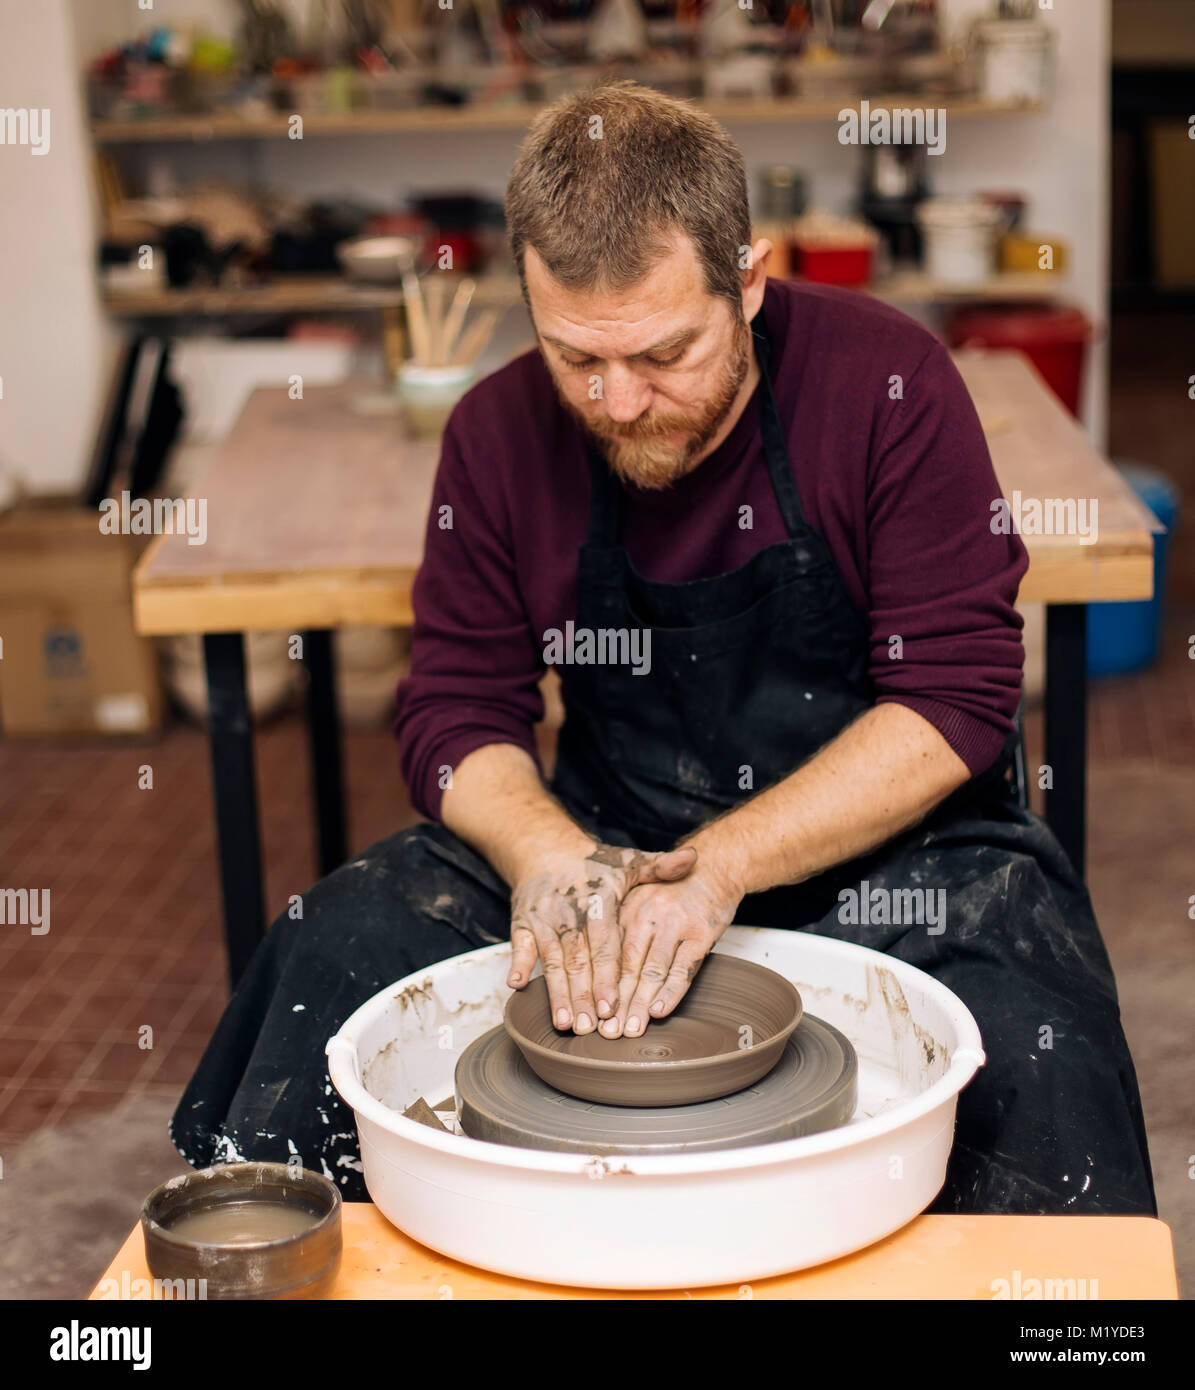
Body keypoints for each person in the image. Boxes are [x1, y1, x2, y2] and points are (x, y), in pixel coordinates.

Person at [173, 82, 1155, 1217]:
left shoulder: (886, 386)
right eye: (572, 356)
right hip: (610, 848)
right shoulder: (497, 433)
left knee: (1043, 1056)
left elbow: (955, 696)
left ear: (748, 277)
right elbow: (453, 706)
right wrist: (551, 857)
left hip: (901, 851)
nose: (616, 400)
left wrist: (724, 867)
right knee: (328, 952)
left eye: (661, 352)